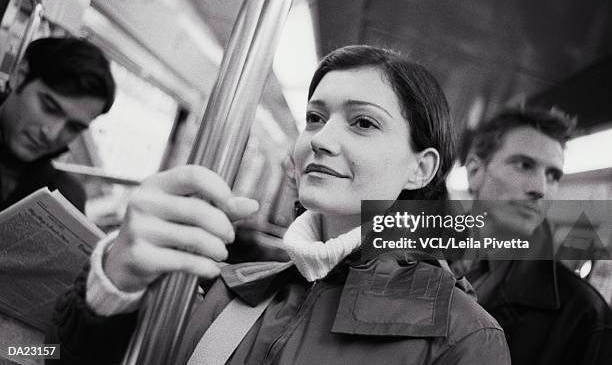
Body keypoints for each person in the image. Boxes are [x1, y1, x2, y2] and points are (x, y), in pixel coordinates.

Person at [48, 45, 510, 364]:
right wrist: (112, 288)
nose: (322, 139)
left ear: (421, 169)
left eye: (364, 123)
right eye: (314, 117)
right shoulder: (234, 291)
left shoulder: (463, 336)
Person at [456, 107, 612, 365]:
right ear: (474, 171)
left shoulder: (584, 315)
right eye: (524, 165)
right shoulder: (415, 260)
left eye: (553, 176)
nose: (540, 189)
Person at [0, 37, 115, 212]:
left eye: (74, 127)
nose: (51, 134)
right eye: (49, 108)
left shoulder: (66, 198)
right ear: (19, 77)